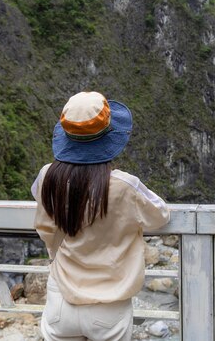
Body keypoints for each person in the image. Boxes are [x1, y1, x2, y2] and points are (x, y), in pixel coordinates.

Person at [32, 91, 170, 341]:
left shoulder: (47, 177)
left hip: (61, 299)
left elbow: (46, 225)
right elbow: (160, 215)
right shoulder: (124, 185)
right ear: (110, 139)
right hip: (109, 305)